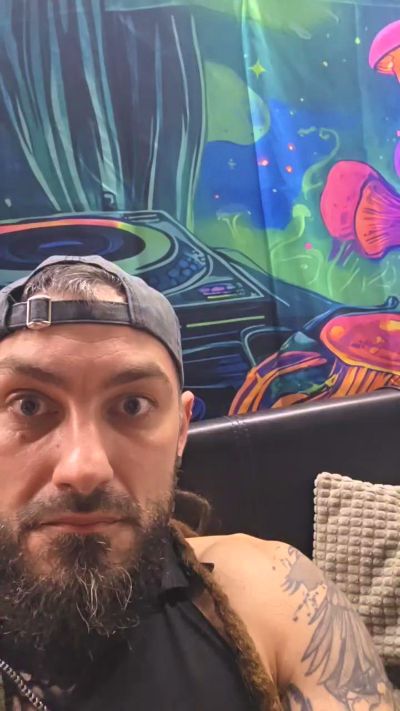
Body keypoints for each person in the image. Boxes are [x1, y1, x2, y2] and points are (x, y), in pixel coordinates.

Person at [0, 254, 394, 711]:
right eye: (28, 405)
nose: (84, 468)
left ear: (182, 429)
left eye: (132, 406)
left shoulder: (277, 598)